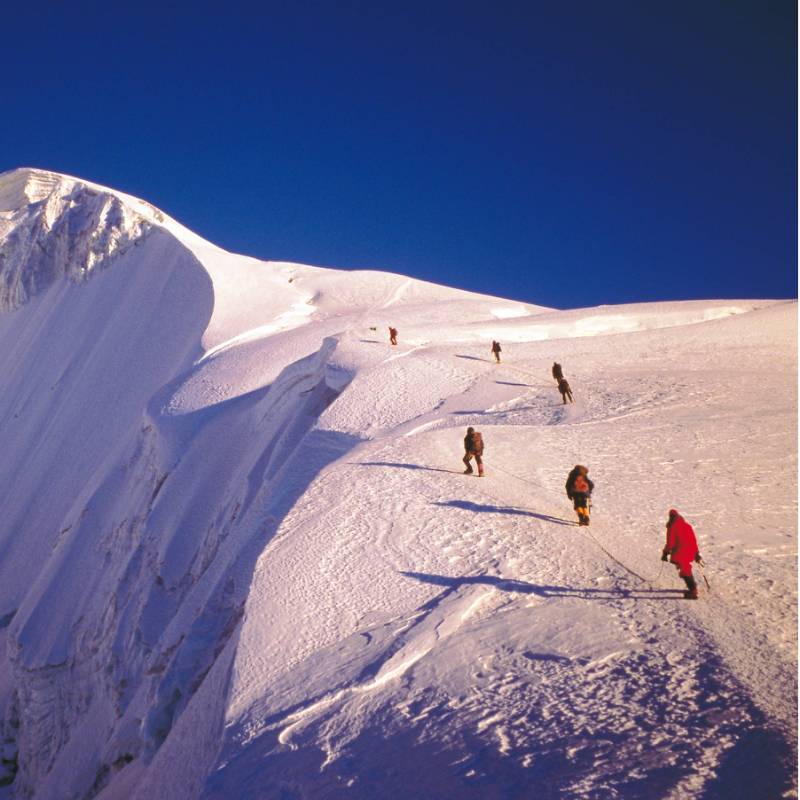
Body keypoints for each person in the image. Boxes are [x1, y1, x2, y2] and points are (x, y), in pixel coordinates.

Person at [661, 509, 702, 599]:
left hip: (681, 552)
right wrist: (696, 553)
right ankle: (692, 586)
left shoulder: (672, 527)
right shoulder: (687, 525)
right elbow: (693, 540)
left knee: (685, 570)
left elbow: (670, 543)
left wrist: (665, 553)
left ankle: (693, 591)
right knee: (686, 568)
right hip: (690, 550)